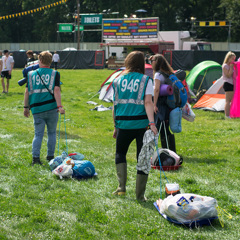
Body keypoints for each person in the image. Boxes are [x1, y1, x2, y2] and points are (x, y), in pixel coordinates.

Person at [112, 51, 157, 201]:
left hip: (122, 124)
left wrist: (115, 126)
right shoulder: (146, 80)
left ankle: (121, 188)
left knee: (120, 153)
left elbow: (115, 105)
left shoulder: (117, 80)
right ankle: (139, 195)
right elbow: (148, 102)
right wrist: (152, 123)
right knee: (142, 157)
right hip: (141, 125)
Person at [23, 51, 65, 165]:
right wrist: (59, 106)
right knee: (52, 133)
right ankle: (50, 157)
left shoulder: (30, 74)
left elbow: (27, 92)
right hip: (51, 108)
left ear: (39, 60)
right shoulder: (55, 73)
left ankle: (35, 158)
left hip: (36, 109)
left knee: (38, 134)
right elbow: (56, 90)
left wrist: (26, 107)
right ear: (51, 61)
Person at [151, 54, 176, 152]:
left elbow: (156, 90)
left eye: (152, 61)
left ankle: (163, 150)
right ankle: (170, 150)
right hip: (169, 103)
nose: (151, 63)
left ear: (156, 62)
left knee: (158, 127)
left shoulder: (158, 74)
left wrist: (154, 104)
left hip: (160, 103)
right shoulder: (169, 73)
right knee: (165, 127)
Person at [222, 51, 236, 118]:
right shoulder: (225, 66)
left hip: (232, 84)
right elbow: (228, 75)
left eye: (234, 59)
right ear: (229, 58)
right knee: (228, 101)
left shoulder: (232, 66)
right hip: (228, 84)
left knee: (232, 100)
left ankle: (231, 114)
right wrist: (231, 67)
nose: (233, 60)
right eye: (232, 59)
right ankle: (227, 115)